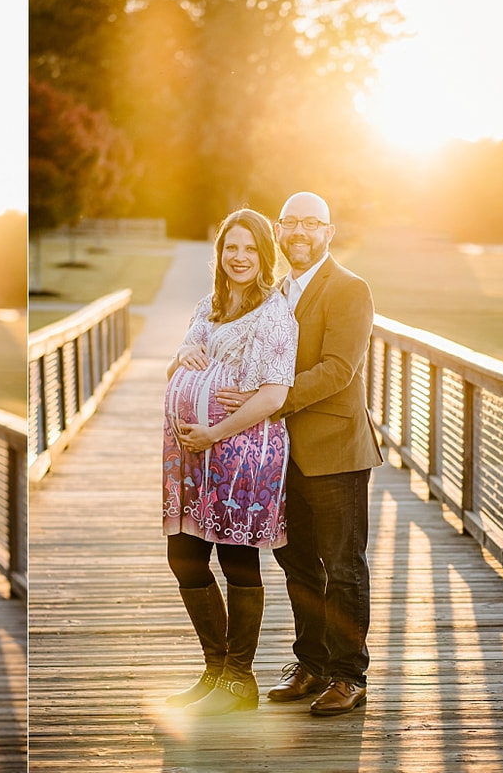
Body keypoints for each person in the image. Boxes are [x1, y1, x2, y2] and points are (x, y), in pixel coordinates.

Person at [219, 191, 383, 716]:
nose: (298, 233)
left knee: (343, 566)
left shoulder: (350, 289)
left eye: (310, 224)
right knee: (298, 565)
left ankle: (348, 675)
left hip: (334, 451)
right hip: (280, 455)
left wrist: (267, 402)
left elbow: (339, 369)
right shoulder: (278, 291)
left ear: (329, 233)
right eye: (289, 223)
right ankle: (310, 664)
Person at [162, 208, 298, 716]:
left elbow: (273, 393)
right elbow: (182, 358)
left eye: (249, 248)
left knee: (236, 558)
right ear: (220, 253)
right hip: (191, 456)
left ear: (265, 254)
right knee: (185, 556)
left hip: (243, 452)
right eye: (230, 247)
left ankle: (239, 679)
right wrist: (183, 352)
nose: (239, 257)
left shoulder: (274, 314)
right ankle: (215, 670)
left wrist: (214, 433)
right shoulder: (209, 304)